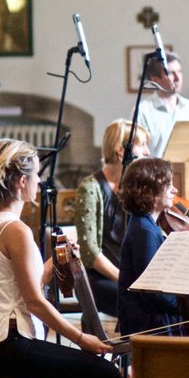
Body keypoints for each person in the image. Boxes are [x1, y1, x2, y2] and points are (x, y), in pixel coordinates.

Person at [0, 139, 119, 378]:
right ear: (21, 181)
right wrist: (81, 339)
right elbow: (35, 302)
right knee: (106, 374)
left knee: (92, 371)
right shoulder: (16, 230)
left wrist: (54, 261)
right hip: (8, 345)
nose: (40, 181)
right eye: (36, 174)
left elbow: (20, 287)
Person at [72, 119, 149, 316]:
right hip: (99, 279)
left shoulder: (135, 186)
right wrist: (125, 279)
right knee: (141, 303)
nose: (148, 152)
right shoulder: (90, 188)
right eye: (142, 145)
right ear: (121, 151)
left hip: (129, 277)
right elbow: (90, 252)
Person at [116, 157, 181, 336]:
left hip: (152, 319)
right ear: (149, 191)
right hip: (149, 326)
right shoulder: (144, 231)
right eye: (168, 185)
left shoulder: (146, 225)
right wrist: (183, 305)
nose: (174, 190)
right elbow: (152, 291)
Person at [135, 50, 189, 158]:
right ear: (155, 80)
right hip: (155, 173)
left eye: (179, 71)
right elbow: (138, 151)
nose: (177, 78)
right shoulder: (143, 110)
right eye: (171, 73)